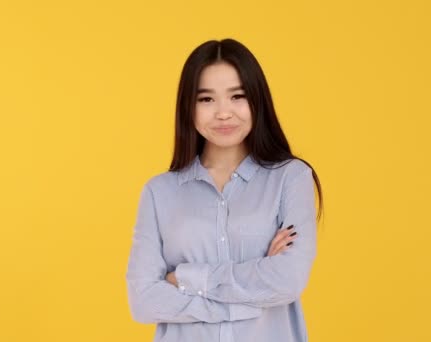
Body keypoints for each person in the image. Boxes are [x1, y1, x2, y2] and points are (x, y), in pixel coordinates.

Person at [125, 38, 324, 342]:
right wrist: (252, 287)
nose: (223, 113)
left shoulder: (290, 178)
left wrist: (184, 278)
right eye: (206, 99)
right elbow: (143, 301)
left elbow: (288, 280)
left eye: (237, 96)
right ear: (188, 107)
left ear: (257, 100)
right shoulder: (159, 192)